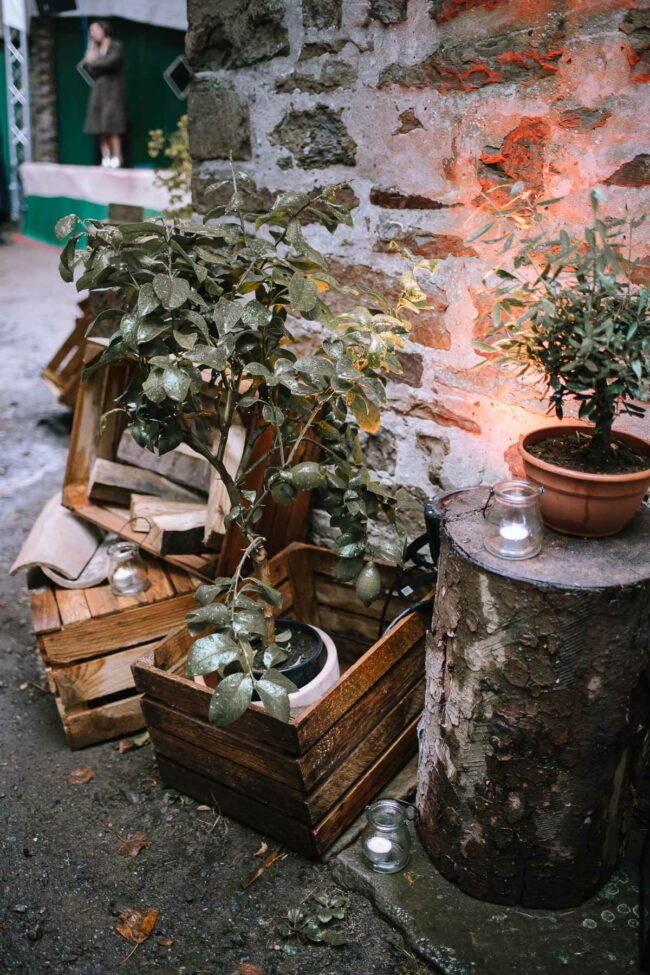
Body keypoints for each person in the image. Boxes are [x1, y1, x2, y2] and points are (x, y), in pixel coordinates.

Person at [82, 21, 127, 168]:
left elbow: (110, 62)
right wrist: (92, 61)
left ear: (103, 29)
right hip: (99, 91)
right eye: (90, 31)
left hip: (113, 91)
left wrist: (93, 63)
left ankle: (117, 156)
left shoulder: (115, 46)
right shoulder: (94, 49)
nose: (92, 33)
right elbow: (88, 68)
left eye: (95, 29)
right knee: (99, 125)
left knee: (113, 125)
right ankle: (105, 156)